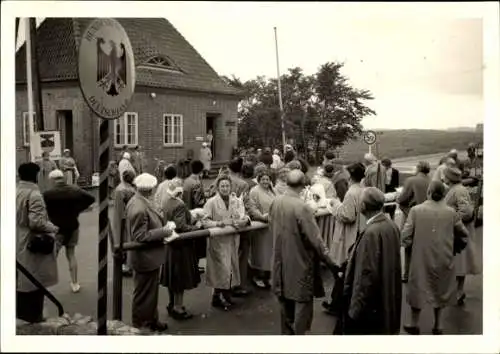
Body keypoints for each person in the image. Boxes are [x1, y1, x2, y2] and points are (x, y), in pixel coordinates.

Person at [269, 170, 337, 335]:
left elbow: (272, 226)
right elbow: (316, 241)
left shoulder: (276, 201)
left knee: (284, 300)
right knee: (302, 304)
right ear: (303, 186)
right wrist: (332, 263)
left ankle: (287, 336)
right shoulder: (302, 207)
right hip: (300, 261)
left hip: (280, 259)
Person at [401, 180, 469, 335]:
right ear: (444, 194)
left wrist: (411, 245)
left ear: (429, 192)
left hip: (420, 256)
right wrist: (454, 248)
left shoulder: (416, 211)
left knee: (418, 288)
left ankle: (414, 323)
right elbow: (464, 235)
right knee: (441, 288)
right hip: (444, 256)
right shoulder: (451, 212)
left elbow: (405, 235)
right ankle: (438, 325)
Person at [339, 187, 402, 335]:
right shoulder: (391, 225)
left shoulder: (371, 233)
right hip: (386, 297)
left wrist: (354, 309)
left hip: (372, 304)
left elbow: (365, 274)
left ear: (363, 207)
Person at [126, 173, 176, 332]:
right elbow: (140, 236)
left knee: (150, 293)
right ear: (148, 189)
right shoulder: (139, 207)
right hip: (145, 259)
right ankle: (141, 325)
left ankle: (151, 320)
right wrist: (165, 231)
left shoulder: (140, 201)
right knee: (143, 294)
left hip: (149, 258)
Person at [16, 162, 59, 323]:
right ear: (36, 176)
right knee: (35, 282)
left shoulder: (16, 192)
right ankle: (34, 318)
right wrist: (53, 228)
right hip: (31, 244)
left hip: (18, 241)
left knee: (22, 282)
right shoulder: (34, 195)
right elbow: (37, 222)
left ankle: (23, 316)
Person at [322, 162, 366, 317]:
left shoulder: (351, 193)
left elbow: (348, 216)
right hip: (358, 232)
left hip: (348, 234)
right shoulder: (363, 190)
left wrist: (336, 206)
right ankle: (337, 302)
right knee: (347, 271)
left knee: (342, 270)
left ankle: (338, 304)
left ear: (350, 175)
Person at [43, 169, 95, 293]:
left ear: (52, 180)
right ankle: (75, 283)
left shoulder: (48, 194)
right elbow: (91, 198)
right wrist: (78, 209)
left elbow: (42, 209)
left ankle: (44, 284)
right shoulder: (74, 190)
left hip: (56, 228)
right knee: (71, 254)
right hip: (73, 225)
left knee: (51, 256)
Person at [203, 176, 250, 310]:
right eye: (222, 186)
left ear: (231, 187)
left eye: (227, 186)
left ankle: (219, 296)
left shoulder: (235, 201)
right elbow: (204, 221)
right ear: (218, 188)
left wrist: (244, 220)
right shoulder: (211, 202)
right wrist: (218, 223)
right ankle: (221, 297)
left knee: (230, 268)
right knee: (221, 269)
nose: (225, 188)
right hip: (218, 240)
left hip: (232, 239)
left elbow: (243, 215)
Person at [159, 184, 201, 320]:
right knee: (180, 278)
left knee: (172, 277)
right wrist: (196, 227)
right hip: (180, 246)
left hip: (170, 244)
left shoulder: (165, 202)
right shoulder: (180, 205)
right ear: (179, 193)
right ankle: (178, 307)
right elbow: (181, 226)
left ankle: (172, 304)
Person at [443, 167, 481, 305]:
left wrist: (450, 218)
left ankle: (458, 291)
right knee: (457, 263)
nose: (443, 178)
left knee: (459, 263)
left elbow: (466, 212)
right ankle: (457, 291)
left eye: (445, 176)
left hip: (459, 233)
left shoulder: (458, 190)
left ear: (450, 178)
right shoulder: (455, 189)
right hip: (456, 233)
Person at [397, 161, 431, 283]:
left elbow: (402, 199)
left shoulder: (411, 181)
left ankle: (407, 274)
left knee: (409, 246)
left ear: (418, 169)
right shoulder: (432, 181)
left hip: (412, 216)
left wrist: (399, 200)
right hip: (429, 217)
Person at [247, 168, 276, 289]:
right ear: (259, 180)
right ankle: (257, 276)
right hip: (260, 227)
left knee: (270, 254)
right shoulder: (254, 191)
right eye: (263, 179)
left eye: (268, 179)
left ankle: (267, 277)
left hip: (272, 227)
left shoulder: (272, 190)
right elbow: (252, 207)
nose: (265, 181)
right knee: (260, 253)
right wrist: (261, 217)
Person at [182, 160, 207, 273]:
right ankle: (195, 266)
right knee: (197, 241)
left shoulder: (186, 181)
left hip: (186, 212)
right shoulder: (196, 183)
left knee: (190, 240)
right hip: (195, 214)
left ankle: (190, 264)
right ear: (201, 170)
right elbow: (198, 201)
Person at [112, 169, 136, 277]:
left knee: (124, 240)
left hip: (123, 219)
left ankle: (126, 265)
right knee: (125, 241)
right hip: (125, 219)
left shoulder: (121, 188)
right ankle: (126, 266)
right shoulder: (125, 190)